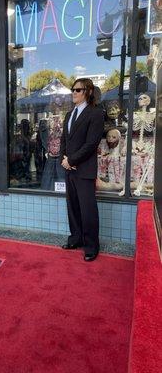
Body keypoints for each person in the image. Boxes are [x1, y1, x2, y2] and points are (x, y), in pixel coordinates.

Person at [60, 78, 104, 262]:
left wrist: (72, 159)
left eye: (77, 90)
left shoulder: (96, 113)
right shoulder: (69, 114)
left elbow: (91, 144)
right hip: (69, 168)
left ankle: (91, 246)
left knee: (88, 210)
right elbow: (64, 139)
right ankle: (76, 239)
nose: (74, 92)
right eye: (73, 89)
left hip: (85, 170)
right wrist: (64, 159)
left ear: (87, 91)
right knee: (73, 207)